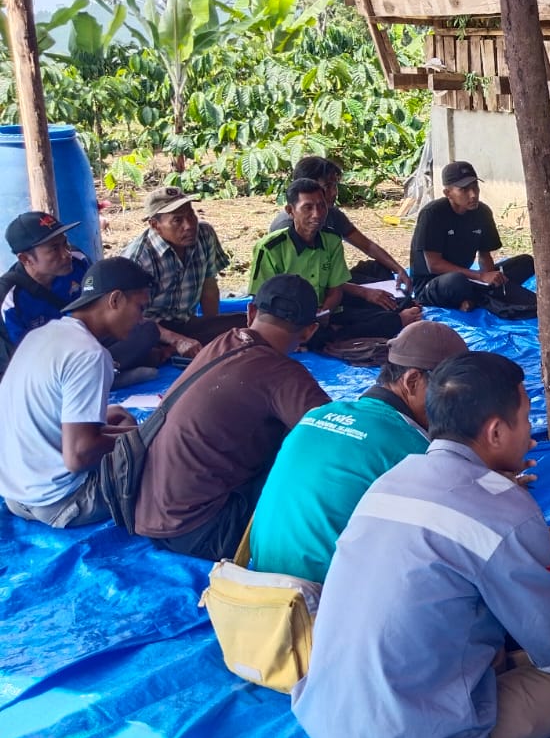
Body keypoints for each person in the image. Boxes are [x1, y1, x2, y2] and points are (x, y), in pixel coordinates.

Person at [293, 351, 550, 738]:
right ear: (495, 431)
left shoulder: (391, 480)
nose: (531, 437)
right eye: (527, 419)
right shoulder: (505, 508)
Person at [247, 320, 469, 583]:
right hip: (323, 605)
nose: (458, 408)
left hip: (254, 592)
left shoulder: (316, 415)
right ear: (412, 382)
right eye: (452, 394)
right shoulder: (415, 450)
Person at [133, 274, 329, 560]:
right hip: (201, 531)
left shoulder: (221, 342)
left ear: (250, 311)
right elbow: (335, 440)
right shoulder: (283, 374)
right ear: (310, 331)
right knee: (311, 462)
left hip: (147, 515)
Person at [0, 257, 151, 528]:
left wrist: (114, 428)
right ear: (114, 300)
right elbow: (78, 455)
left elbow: (46, 411)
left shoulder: (41, 335)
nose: (142, 319)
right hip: (62, 502)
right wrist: (137, 439)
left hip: (15, 494)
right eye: (140, 307)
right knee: (163, 457)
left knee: (123, 422)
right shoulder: (90, 354)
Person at [2, 209, 182, 375]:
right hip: (51, 365)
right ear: (25, 259)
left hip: (90, 341)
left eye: (65, 243)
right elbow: (20, 358)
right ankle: (108, 373)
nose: (66, 254)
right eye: (54, 249)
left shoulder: (78, 261)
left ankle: (108, 369)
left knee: (146, 330)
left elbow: (104, 309)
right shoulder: (10, 297)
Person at [248, 178, 421, 347]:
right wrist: (306, 319)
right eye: (307, 207)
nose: (317, 214)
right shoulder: (270, 248)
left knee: (388, 305)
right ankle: (341, 333)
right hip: (288, 318)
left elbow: (336, 290)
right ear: (290, 210)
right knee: (324, 334)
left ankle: (336, 330)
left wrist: (325, 312)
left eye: (321, 206)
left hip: (329, 311)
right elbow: (261, 300)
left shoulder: (331, 240)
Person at [120, 185, 246, 347]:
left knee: (247, 323)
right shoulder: (138, 258)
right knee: (135, 346)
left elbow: (209, 285)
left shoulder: (204, 234)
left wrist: (212, 330)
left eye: (191, 215)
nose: (189, 225)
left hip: (186, 324)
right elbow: (130, 318)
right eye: (177, 220)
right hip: (150, 331)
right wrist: (176, 340)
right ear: (155, 225)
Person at [267, 155, 411, 288]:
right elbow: (309, 282)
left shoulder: (332, 214)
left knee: (378, 270)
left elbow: (367, 246)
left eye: (335, 185)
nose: (334, 192)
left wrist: (398, 269)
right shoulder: (285, 226)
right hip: (306, 291)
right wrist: (365, 293)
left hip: (334, 283)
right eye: (328, 186)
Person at [409, 160, 536, 311]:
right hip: (434, 283)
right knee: (456, 281)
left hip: (470, 278)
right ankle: (479, 296)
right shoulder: (433, 214)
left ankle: (478, 296)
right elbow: (434, 265)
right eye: (464, 190)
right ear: (448, 193)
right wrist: (480, 277)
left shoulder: (482, 212)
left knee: (527, 262)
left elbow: (484, 255)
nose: (473, 195)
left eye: (475, 186)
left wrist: (491, 278)